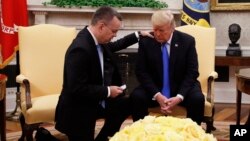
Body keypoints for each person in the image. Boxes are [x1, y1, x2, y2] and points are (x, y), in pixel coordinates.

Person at [55, 6, 152, 141]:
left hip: (96, 100)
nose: (115, 35)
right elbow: (76, 88)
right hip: (79, 109)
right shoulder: (80, 49)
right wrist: (107, 91)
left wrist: (138, 34)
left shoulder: (97, 41)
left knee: (129, 103)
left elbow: (116, 45)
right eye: (114, 31)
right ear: (101, 26)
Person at [130, 10, 205, 125]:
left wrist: (179, 97)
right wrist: (157, 95)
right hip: (155, 88)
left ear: (172, 28)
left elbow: (192, 72)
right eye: (155, 29)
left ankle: (193, 134)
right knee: (136, 96)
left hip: (181, 86)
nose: (157, 34)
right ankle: (142, 133)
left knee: (197, 99)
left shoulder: (187, 41)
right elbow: (141, 71)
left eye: (161, 30)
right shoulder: (146, 42)